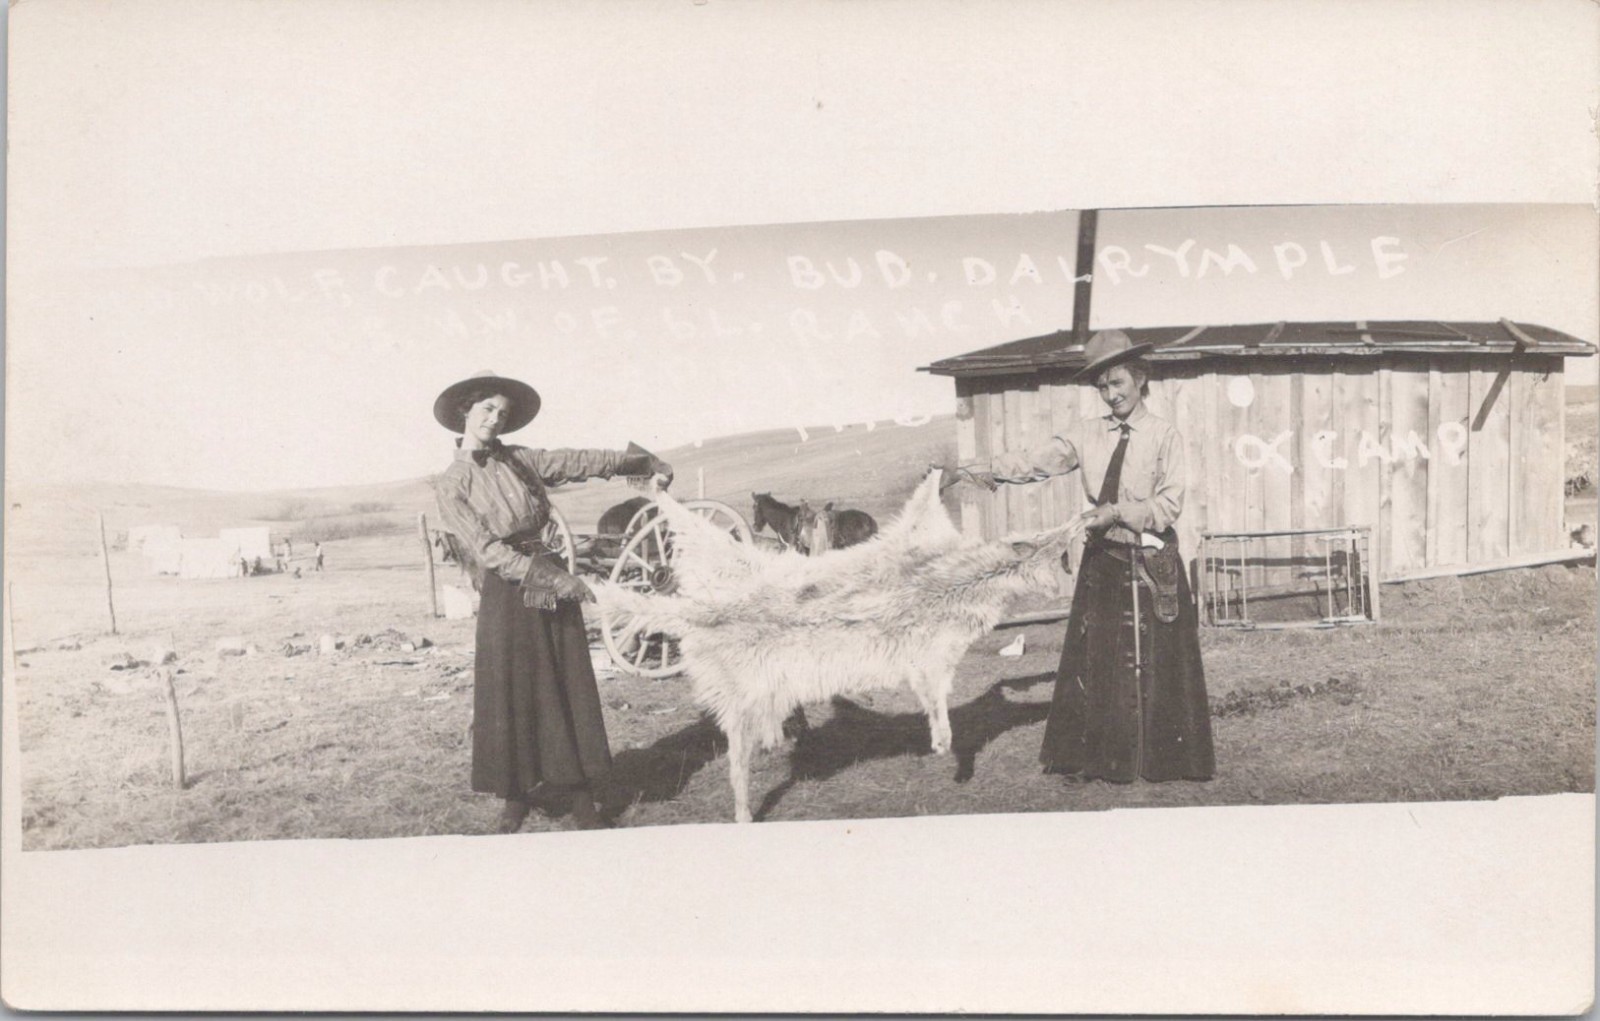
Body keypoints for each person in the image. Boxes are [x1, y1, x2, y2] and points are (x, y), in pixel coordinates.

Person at [431, 370, 673, 833]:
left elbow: (575, 461)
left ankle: (581, 800)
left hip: (546, 572)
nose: (494, 420)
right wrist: (553, 581)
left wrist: (637, 462)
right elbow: (487, 551)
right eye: (487, 410)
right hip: (508, 590)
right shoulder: (452, 484)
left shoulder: (520, 461)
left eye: (502, 413)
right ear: (466, 412)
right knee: (512, 689)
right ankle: (514, 798)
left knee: (562, 682)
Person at [970, 330, 1214, 784]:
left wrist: (1118, 512)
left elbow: (1168, 506)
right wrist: (982, 470)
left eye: (1118, 383)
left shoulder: (1165, 437)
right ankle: (1106, 759)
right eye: (1102, 387)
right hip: (1103, 561)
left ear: (1140, 378)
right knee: (1100, 662)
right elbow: (1036, 461)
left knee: (1161, 665)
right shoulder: (1086, 435)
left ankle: (1165, 760)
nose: (1111, 394)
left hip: (1151, 560)